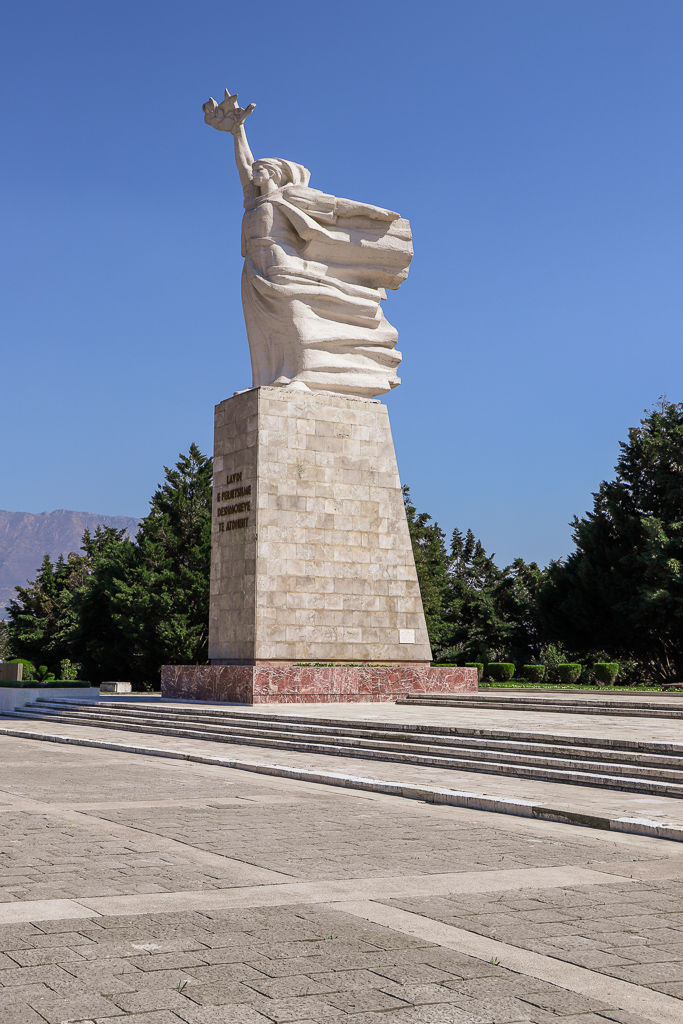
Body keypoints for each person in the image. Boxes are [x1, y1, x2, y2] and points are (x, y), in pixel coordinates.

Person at [203, 89, 413, 397]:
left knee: (296, 319)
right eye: (255, 168)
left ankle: (305, 373)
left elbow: (338, 206)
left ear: (277, 173)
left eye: (261, 167)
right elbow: (243, 166)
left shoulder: (291, 196)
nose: (253, 171)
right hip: (254, 268)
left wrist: (373, 214)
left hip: (283, 264)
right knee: (265, 330)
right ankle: (273, 377)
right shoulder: (255, 200)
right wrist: (238, 131)